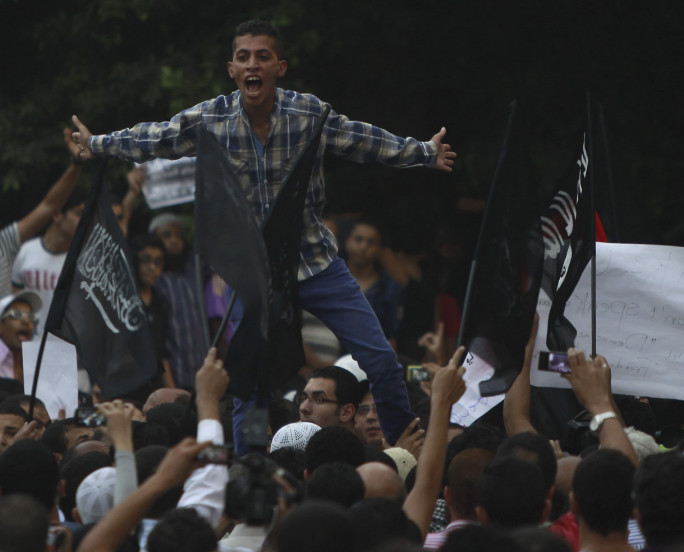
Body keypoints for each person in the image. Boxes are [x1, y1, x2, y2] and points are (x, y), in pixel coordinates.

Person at [70, 19, 456, 448]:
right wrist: (98, 143)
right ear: (232, 70)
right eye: (243, 57)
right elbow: (156, 137)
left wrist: (424, 152)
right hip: (252, 278)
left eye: (263, 56)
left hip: (315, 264)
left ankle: (404, 450)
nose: (252, 64)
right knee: (249, 381)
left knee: (382, 360)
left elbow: (362, 140)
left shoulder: (309, 113)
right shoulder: (210, 118)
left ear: (280, 67)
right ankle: (249, 466)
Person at [0, 128, 86, 297]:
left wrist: (76, 164)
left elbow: (49, 206)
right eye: (78, 214)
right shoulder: (22, 250)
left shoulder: (4, 245)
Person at [11, 187, 85, 331]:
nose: (83, 221)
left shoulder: (83, 264)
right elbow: (14, 300)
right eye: (79, 214)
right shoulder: (25, 251)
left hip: (63, 349)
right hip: (27, 345)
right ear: (57, 214)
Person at [147, 213, 207, 391]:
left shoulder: (192, 272)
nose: (174, 240)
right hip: (171, 386)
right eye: (166, 235)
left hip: (202, 382)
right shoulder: (153, 281)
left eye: (179, 235)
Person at [129, 234, 176, 389]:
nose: (152, 268)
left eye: (158, 262)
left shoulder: (160, 302)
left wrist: (172, 393)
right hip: (125, 386)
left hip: (153, 386)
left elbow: (162, 355)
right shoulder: (122, 299)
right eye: (146, 260)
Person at [0, 291, 43, 383]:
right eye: (16, 314)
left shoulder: (38, 364)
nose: (26, 321)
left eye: (31, 317)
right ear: (1, 325)